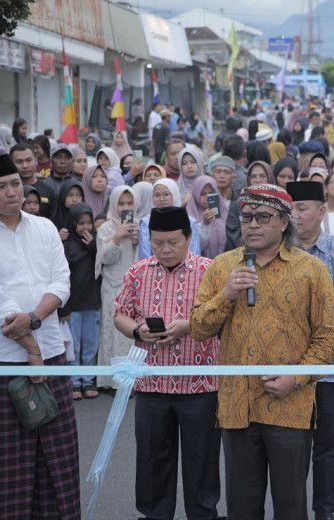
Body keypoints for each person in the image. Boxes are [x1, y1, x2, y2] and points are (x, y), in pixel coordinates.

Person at [191, 184, 334, 520]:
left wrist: (297, 377)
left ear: (284, 222)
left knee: (290, 508)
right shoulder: (223, 266)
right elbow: (199, 327)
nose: (253, 224)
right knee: (242, 508)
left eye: (263, 217)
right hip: (237, 407)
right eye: (247, 217)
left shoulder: (311, 269)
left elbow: (330, 339)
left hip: (289, 407)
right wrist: (228, 293)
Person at [0, 155, 79, 519]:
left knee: (59, 462)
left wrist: (37, 325)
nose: (12, 192)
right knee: (8, 470)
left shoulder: (44, 227)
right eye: (1, 187)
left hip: (51, 355)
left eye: (15, 184)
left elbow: (62, 282)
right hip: (1, 362)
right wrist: (31, 352)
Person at [113, 206, 221, 520]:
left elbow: (223, 318)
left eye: (173, 242)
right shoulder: (138, 271)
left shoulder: (210, 270)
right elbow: (120, 313)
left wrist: (189, 325)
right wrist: (137, 331)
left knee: (201, 460)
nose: (165, 249)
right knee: (152, 459)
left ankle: (202, 514)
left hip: (199, 384)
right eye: (158, 242)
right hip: (151, 383)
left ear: (189, 237)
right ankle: (154, 514)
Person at [287, 181, 334, 520]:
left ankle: (324, 512)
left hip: (331, 367)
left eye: (303, 208)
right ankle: (292, 511)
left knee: (326, 448)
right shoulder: (278, 252)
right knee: (291, 447)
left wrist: (300, 336)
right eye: (291, 208)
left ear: (321, 211)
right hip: (287, 369)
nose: (295, 215)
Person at [95, 185, 139, 391]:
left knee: (133, 334)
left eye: (130, 203)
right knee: (113, 332)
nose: (125, 207)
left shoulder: (140, 225)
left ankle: (132, 381)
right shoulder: (106, 228)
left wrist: (138, 241)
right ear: (113, 204)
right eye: (121, 203)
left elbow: (147, 256)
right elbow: (106, 258)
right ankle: (112, 381)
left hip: (135, 287)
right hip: (112, 286)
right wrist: (118, 237)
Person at [59, 202, 100, 400]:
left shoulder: (95, 243)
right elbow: (62, 277)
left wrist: (92, 245)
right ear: (72, 223)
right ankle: (74, 381)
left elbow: (102, 263)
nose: (86, 227)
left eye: (89, 223)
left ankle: (88, 379)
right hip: (73, 304)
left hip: (92, 302)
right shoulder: (66, 246)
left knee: (91, 343)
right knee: (74, 345)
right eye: (81, 223)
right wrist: (63, 307)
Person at [138, 178, 202, 259]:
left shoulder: (190, 221)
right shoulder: (146, 222)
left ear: (174, 194)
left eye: (166, 194)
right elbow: (145, 255)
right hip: (154, 269)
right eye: (157, 195)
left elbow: (194, 252)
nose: (161, 199)